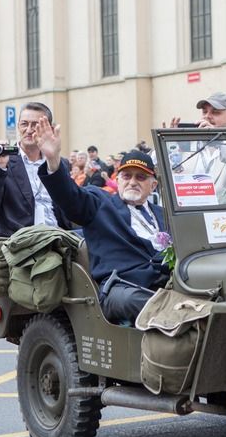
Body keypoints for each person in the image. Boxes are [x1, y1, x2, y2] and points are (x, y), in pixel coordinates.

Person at [35, 118, 170, 325]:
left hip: (166, 283)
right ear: (118, 180)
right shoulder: (101, 204)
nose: (132, 182)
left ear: (153, 185)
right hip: (121, 287)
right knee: (146, 302)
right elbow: (71, 199)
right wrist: (53, 161)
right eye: (126, 176)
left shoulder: (163, 215)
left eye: (140, 178)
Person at [0, 102, 71, 236]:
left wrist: (53, 160)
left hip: (59, 236)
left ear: (48, 128)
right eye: (24, 124)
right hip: (20, 241)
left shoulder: (60, 163)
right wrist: (0, 167)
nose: (29, 129)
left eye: (35, 125)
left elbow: (72, 206)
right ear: (18, 126)